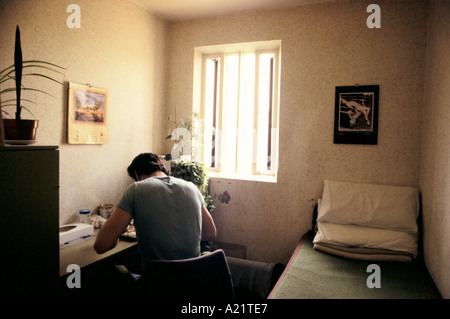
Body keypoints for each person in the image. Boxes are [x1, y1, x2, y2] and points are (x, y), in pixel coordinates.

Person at [94, 153, 217, 275]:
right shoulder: (191, 188)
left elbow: (101, 246)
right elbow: (210, 234)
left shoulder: (136, 189)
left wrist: (117, 234)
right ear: (162, 168)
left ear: (136, 174)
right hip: (193, 280)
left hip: (157, 284)